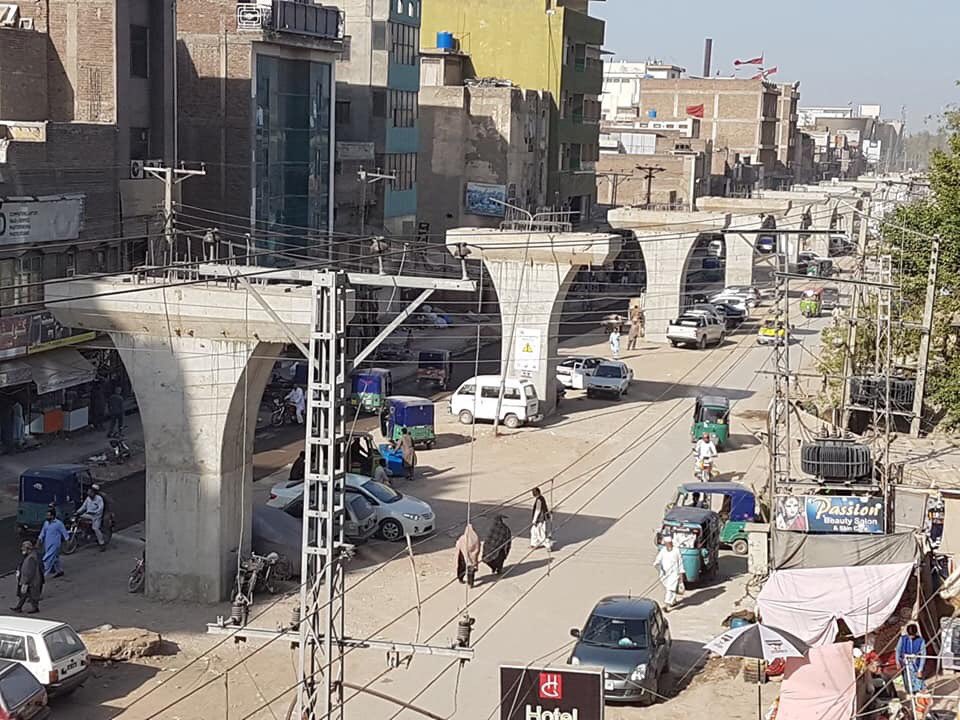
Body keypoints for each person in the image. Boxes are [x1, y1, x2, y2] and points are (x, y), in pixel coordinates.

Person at [654, 534, 684, 610]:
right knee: (669, 587)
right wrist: (659, 567)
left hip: (674, 573)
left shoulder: (676, 551)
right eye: (668, 544)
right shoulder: (663, 551)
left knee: (670, 588)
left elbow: (680, 564)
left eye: (670, 543)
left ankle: (667, 604)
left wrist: (681, 580)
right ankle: (673, 600)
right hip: (664, 574)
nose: (669, 545)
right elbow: (657, 561)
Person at [11, 541, 42, 613]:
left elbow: (29, 572)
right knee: (24, 595)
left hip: (30, 581)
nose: (23, 550)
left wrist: (25, 582)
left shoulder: (31, 558)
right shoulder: (29, 556)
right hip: (28, 580)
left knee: (31, 595)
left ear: (28, 549)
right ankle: (19, 607)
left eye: (24, 549)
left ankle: (35, 608)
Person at [896, 623, 926, 693]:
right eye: (910, 635)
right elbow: (898, 650)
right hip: (905, 663)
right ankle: (910, 692)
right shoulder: (903, 639)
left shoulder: (921, 641)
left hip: (915, 664)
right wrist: (897, 662)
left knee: (918, 681)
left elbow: (923, 655)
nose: (911, 637)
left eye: (912, 635)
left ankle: (918, 693)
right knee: (908, 680)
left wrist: (920, 670)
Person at [38, 508, 69, 578]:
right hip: (47, 544)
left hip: (55, 545)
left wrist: (67, 542)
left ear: (53, 516)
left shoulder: (58, 524)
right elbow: (42, 532)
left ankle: (44, 574)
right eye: (47, 515)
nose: (47, 517)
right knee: (55, 558)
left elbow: (65, 533)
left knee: (47, 558)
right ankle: (60, 571)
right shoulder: (46, 523)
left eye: (49, 516)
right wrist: (39, 540)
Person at [76, 484, 106, 551]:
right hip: (88, 514)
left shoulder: (99, 499)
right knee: (79, 519)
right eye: (88, 491)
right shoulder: (88, 498)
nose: (89, 493)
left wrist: (95, 512)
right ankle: (84, 533)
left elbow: (101, 508)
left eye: (90, 492)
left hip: (96, 516)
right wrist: (77, 512)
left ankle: (102, 543)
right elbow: (83, 507)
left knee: (95, 528)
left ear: (94, 493)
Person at [455, 523, 481, 587]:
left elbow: (458, 545)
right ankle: (470, 583)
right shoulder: (475, 538)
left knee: (462, 568)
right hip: (473, 558)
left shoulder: (463, 538)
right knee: (471, 570)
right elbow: (478, 547)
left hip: (463, 557)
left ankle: (461, 579)